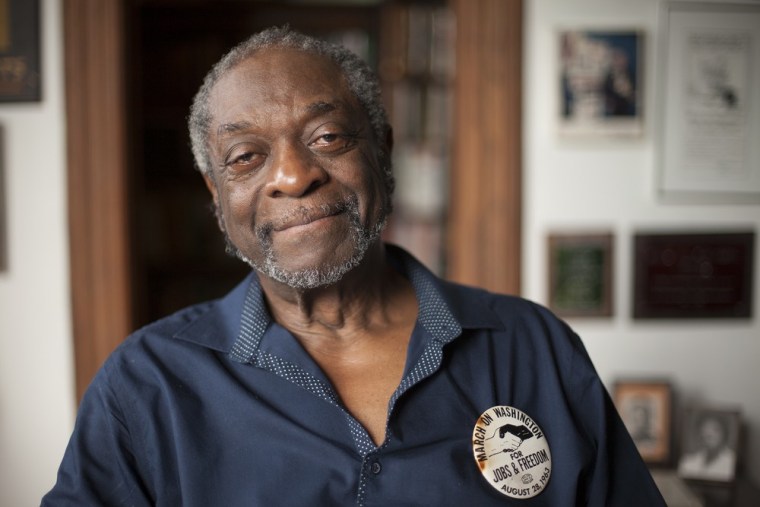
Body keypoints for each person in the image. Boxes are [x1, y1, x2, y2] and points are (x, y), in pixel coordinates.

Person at [43, 26, 665, 506]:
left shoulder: (535, 348)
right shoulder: (146, 387)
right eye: (246, 156)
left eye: (326, 137)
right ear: (216, 195)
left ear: (381, 150)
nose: (292, 175)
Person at [678, 412, 737, 482]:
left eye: (715, 429)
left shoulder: (731, 461)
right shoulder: (688, 462)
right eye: (705, 429)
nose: (710, 434)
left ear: (724, 432)